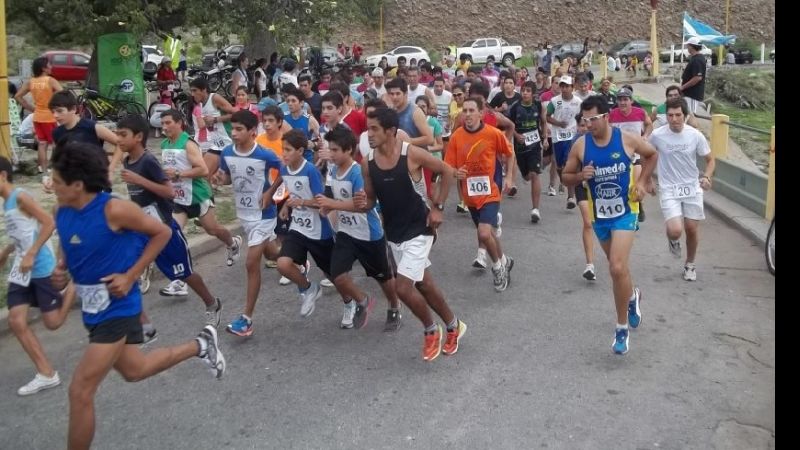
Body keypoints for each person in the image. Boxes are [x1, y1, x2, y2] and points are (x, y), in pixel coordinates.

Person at [49, 141, 225, 449]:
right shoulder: (62, 209)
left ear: (77, 184)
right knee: (135, 370)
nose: (51, 185)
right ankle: (201, 344)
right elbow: (68, 241)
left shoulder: (114, 209)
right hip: (93, 310)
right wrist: (62, 267)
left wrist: (131, 275)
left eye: (57, 181)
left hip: (119, 309)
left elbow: (163, 232)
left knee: (80, 390)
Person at [355, 107, 465, 361]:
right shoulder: (367, 164)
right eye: (367, 129)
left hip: (421, 228)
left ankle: (430, 330)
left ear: (391, 131)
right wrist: (364, 203)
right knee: (424, 284)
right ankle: (453, 325)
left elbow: (447, 170)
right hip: (394, 233)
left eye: (374, 129)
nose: (368, 134)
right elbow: (371, 199)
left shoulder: (411, 154)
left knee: (403, 288)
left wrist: (437, 206)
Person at [561, 95, 658, 355]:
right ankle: (633, 295)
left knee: (616, 267)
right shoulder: (580, 146)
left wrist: (641, 183)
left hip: (626, 212)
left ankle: (621, 329)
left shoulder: (626, 139)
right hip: (600, 215)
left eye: (592, 119)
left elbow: (651, 155)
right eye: (585, 120)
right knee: (620, 270)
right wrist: (581, 175)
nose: (588, 123)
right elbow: (565, 176)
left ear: (606, 116)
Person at [116, 115, 224, 327]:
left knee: (185, 274)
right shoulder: (127, 160)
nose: (118, 139)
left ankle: (212, 303)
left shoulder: (148, 162)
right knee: (124, 269)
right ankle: (141, 323)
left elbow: (168, 192)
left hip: (164, 229)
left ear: (138, 137)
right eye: (117, 134)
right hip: (141, 228)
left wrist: (139, 180)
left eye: (123, 135)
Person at [314, 125, 403, 330]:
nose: (332, 154)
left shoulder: (358, 173)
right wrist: (326, 208)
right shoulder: (334, 171)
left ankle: (394, 305)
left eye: (335, 150)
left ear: (349, 150)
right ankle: (363, 300)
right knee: (337, 275)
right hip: (346, 233)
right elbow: (335, 198)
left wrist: (332, 205)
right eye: (330, 149)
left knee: (383, 277)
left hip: (369, 235)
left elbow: (361, 206)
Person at [1, 156, 75, 396]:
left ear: (3, 176)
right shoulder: (6, 203)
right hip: (21, 269)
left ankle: (75, 286)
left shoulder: (20, 196)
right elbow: (23, 232)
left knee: (53, 323)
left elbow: (48, 222)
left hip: (40, 265)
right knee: (16, 320)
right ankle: (46, 373)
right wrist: (6, 252)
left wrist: (32, 253)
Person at [213, 110, 284, 336]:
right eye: (232, 129)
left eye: (239, 129)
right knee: (273, 254)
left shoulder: (265, 154)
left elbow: (284, 169)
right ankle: (296, 262)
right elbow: (226, 177)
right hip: (244, 214)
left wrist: (270, 192)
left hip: (264, 214)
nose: (233, 133)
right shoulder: (226, 152)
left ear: (253, 131)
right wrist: (219, 180)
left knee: (251, 263)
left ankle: (246, 319)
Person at [158, 109, 242, 296]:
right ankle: (180, 280)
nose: (164, 127)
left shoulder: (188, 144)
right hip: (178, 198)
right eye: (162, 124)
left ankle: (233, 242)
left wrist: (179, 174)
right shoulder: (164, 144)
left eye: (168, 123)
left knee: (212, 230)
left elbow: (203, 170)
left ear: (179, 123)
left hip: (197, 195)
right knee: (172, 235)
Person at [445, 96, 515, 291]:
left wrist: (509, 177)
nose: (467, 114)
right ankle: (504, 259)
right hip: (470, 195)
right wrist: (454, 172)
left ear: (481, 113)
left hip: (490, 192)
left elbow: (509, 155)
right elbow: (448, 166)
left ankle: (498, 268)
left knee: (483, 232)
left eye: (471, 110)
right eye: (464, 111)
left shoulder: (493, 134)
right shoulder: (457, 136)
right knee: (489, 234)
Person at [648, 97, 715, 281]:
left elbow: (710, 160)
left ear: (685, 116)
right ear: (666, 116)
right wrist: (646, 180)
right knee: (676, 230)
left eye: (678, 115)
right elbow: (646, 155)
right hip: (669, 188)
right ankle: (673, 239)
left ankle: (690, 264)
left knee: (692, 228)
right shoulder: (657, 135)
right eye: (670, 115)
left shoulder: (695, 135)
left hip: (692, 187)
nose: (674, 119)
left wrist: (707, 176)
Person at [509, 81, 549, 223]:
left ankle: (535, 209)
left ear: (533, 93)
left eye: (528, 91)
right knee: (526, 176)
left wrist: (544, 139)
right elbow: (509, 125)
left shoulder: (538, 105)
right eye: (523, 90)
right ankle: (528, 174)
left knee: (535, 174)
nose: (525, 93)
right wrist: (516, 135)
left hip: (534, 146)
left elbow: (543, 122)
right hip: (520, 147)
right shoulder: (515, 107)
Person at [15, 56, 62, 174]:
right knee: (56, 143)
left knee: (42, 144)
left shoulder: (31, 82)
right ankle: (54, 168)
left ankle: (44, 170)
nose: (51, 67)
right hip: (49, 117)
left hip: (37, 116)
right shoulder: (50, 80)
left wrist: (31, 108)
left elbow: (17, 96)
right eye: (49, 65)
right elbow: (63, 93)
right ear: (44, 68)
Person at [189, 77, 236, 186]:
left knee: (230, 180)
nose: (192, 94)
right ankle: (208, 202)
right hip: (216, 145)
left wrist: (215, 119)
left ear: (204, 90)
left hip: (228, 143)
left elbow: (235, 113)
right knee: (203, 177)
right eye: (191, 91)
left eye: (195, 90)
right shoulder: (200, 104)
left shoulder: (214, 98)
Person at [546, 75, 583, 209]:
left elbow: (582, 117)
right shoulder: (554, 101)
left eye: (567, 86)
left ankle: (571, 197)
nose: (565, 89)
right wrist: (559, 123)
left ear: (572, 88)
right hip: (558, 136)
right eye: (562, 86)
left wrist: (580, 128)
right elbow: (547, 117)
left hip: (572, 136)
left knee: (570, 164)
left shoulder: (578, 102)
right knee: (560, 166)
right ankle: (564, 180)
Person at [681, 37, 707, 115]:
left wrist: (682, 87)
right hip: (689, 93)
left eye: (688, 45)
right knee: (686, 114)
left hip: (692, 94)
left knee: (690, 115)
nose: (687, 47)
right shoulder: (696, 58)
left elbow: (697, 78)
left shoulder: (697, 60)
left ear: (691, 46)